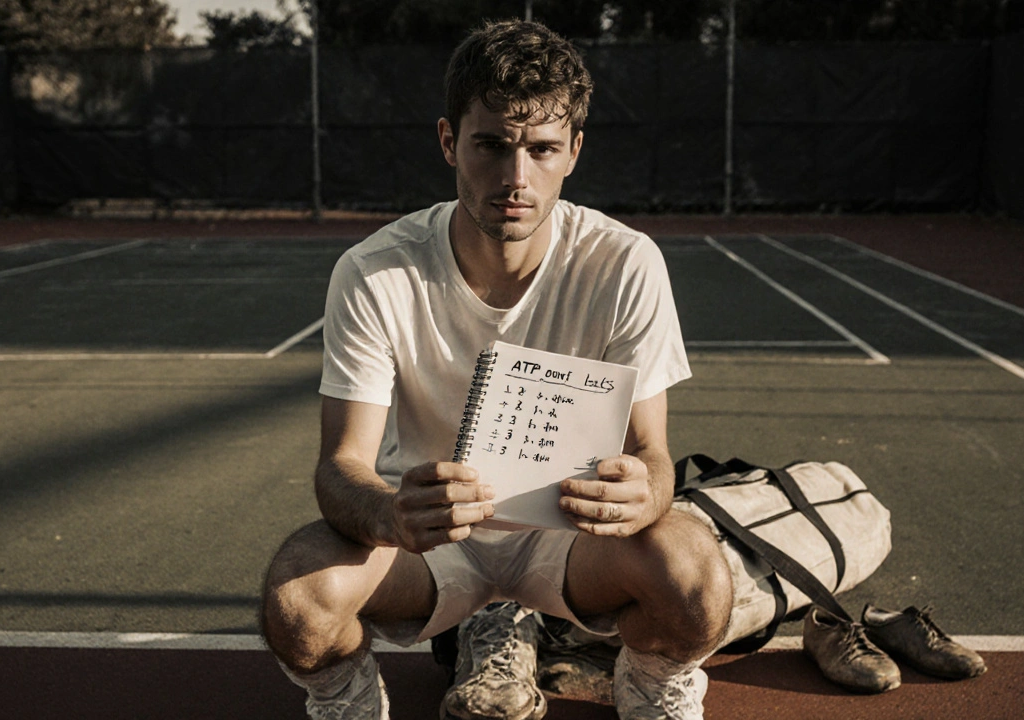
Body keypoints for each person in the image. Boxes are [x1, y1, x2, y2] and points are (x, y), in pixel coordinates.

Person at [260, 19, 734, 720]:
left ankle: (653, 676)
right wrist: (392, 513)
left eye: (542, 149)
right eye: (492, 145)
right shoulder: (375, 271)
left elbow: (653, 457)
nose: (516, 177)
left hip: (571, 542)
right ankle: (346, 698)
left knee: (697, 574)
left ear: (573, 151)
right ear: (450, 141)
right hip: (432, 548)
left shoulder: (624, 262)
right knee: (297, 598)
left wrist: (644, 494)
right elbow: (340, 469)